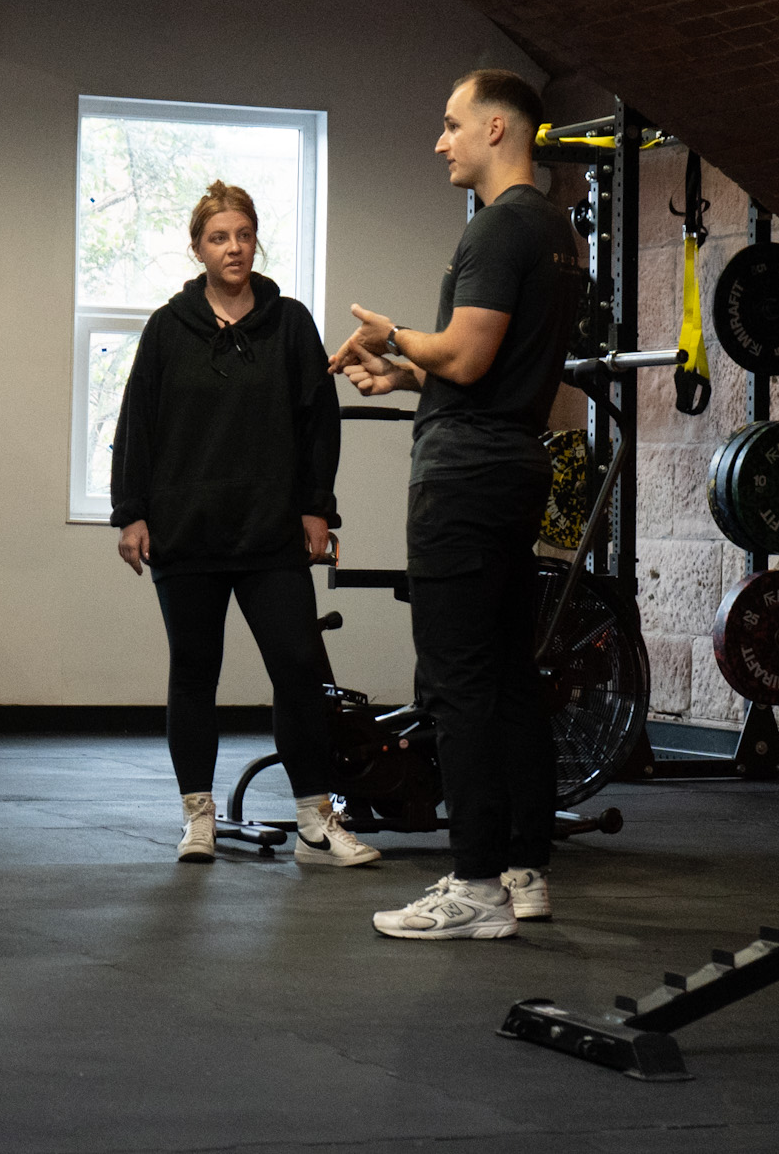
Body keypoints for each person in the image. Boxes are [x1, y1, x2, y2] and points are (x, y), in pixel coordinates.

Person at [328, 70, 584, 940]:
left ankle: (473, 883)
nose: (441, 142)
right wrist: (405, 375)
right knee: (509, 676)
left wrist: (391, 333)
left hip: (464, 479)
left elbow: (469, 359)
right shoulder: (555, 228)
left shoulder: (496, 228)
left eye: (451, 125)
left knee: (460, 684)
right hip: (509, 463)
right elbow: (489, 369)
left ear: (498, 128)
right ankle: (523, 868)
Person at [109, 181, 377, 868]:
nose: (233, 247)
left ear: (257, 242)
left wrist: (318, 506)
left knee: (296, 668)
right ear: (198, 248)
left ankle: (317, 825)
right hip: (186, 532)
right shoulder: (169, 329)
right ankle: (197, 818)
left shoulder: (289, 323)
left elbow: (320, 422)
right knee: (195, 673)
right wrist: (131, 513)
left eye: (244, 234)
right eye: (218, 237)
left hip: (269, 534)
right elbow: (137, 425)